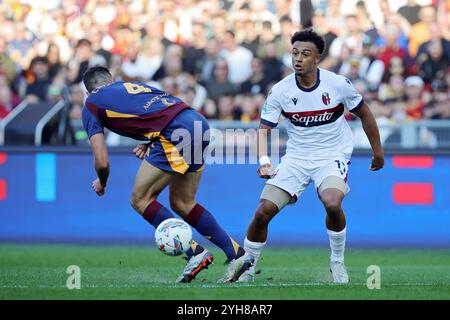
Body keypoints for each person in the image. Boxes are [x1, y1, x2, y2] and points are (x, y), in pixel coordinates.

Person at [229, 30, 384, 284]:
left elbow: (365, 114)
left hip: (332, 154)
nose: (298, 59)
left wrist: (378, 152)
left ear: (318, 58)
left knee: (332, 202)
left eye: (305, 54)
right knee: (262, 212)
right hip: (296, 158)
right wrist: (263, 161)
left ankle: (337, 261)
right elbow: (264, 129)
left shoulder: (338, 84)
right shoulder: (280, 90)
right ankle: (248, 266)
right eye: (295, 53)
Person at [81, 66, 252, 283]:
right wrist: (151, 141)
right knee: (183, 202)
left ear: (88, 91)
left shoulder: (91, 104)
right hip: (197, 123)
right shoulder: (130, 86)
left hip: (174, 133)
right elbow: (163, 108)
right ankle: (237, 255)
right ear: (111, 79)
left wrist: (102, 182)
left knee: (140, 199)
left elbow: (102, 161)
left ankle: (194, 253)